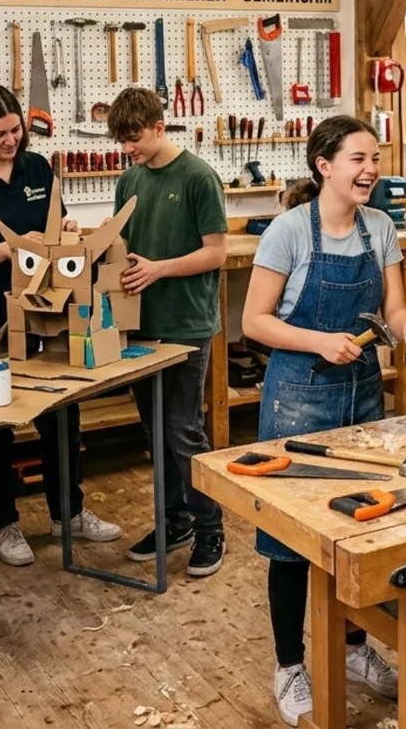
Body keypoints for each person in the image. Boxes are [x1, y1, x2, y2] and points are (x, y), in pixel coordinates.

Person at [242, 116, 406, 727]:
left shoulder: (381, 227)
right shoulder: (287, 232)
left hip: (361, 398)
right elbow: (255, 321)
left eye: (375, 158)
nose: (371, 170)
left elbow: (396, 309)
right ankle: (288, 665)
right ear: (323, 165)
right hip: (298, 397)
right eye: (358, 159)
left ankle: (354, 652)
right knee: (289, 545)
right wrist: (319, 342)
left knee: (358, 533)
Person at [0, 85, 121, 588]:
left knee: (62, 413)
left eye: (16, 130)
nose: (10, 141)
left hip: (46, 309)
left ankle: (70, 512)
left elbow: (56, 226)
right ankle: (4, 524)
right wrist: (11, 249)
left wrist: (63, 228)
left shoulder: (38, 169)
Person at [107, 88, 227, 578]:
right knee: (156, 431)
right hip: (142, 327)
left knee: (183, 430)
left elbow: (216, 252)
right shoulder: (129, 179)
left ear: (160, 126)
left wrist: (159, 270)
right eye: (121, 141)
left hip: (186, 325)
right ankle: (173, 520)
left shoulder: (199, 177)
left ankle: (210, 527)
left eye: (134, 138)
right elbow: (121, 243)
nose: (128, 148)